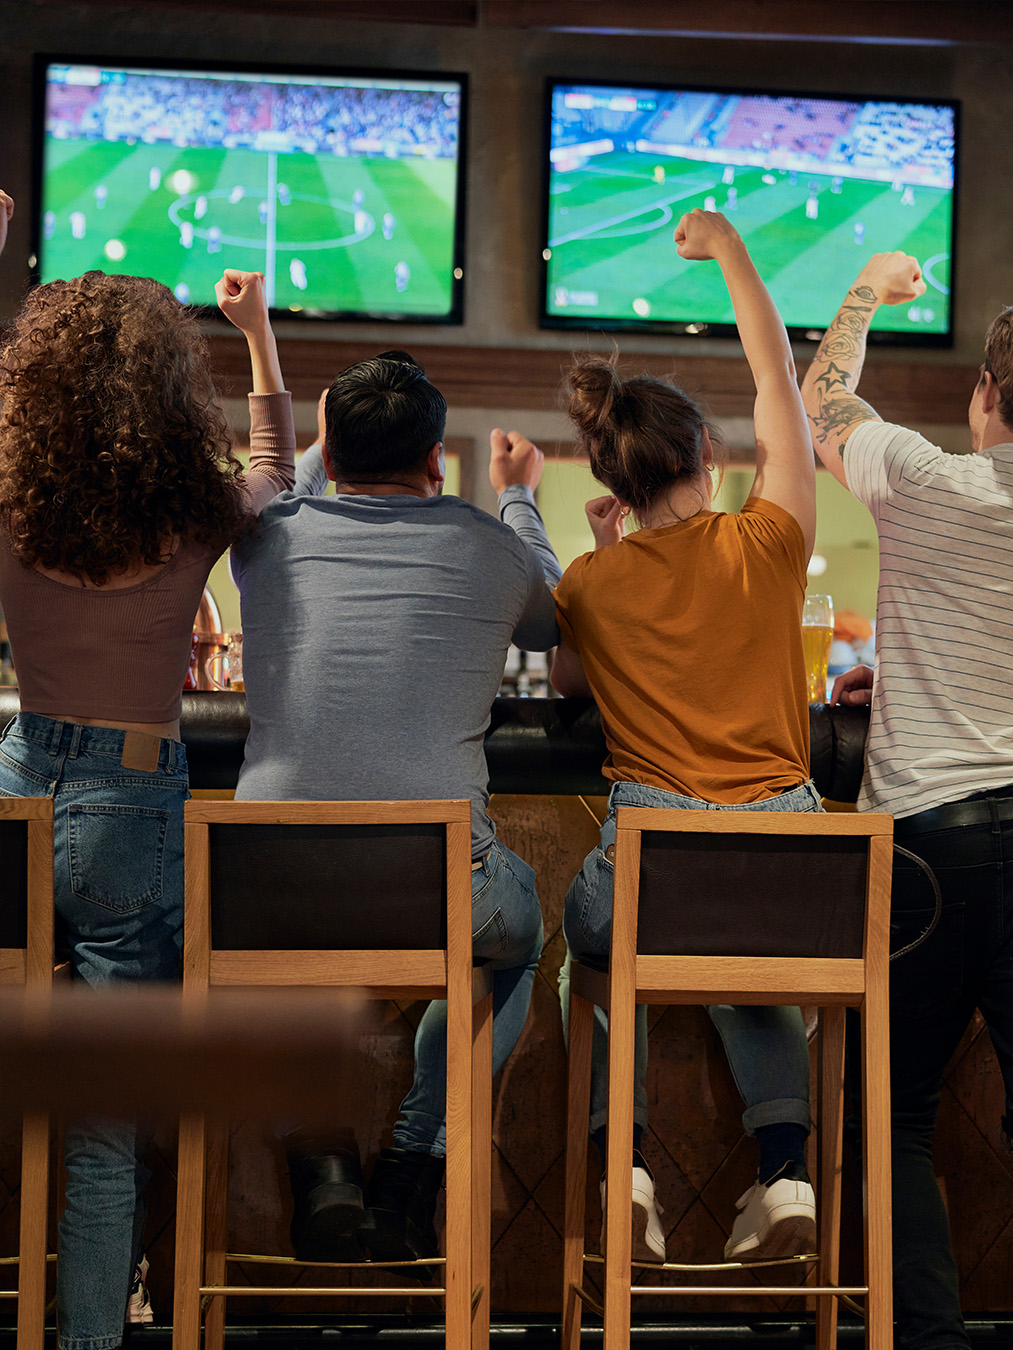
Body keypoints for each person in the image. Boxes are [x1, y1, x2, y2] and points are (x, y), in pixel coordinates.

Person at [0, 196, 295, 1350]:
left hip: (17, 783)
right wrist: (261, 335)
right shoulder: (194, 509)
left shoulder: (15, 494)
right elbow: (277, 461)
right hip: (129, 796)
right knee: (106, 1128)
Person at [801, 252, 1013, 1350]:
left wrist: (866, 292)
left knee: (895, 1113)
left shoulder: (918, 476)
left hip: (927, 847)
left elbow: (825, 396)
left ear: (984, 394)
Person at [230, 350, 561, 1266]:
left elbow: (273, 487)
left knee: (261, 958)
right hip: (440, 893)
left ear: (326, 459)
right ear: (436, 462)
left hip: (268, 894)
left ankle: (322, 1166)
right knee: (519, 932)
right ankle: (417, 1163)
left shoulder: (262, 540)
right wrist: (521, 496)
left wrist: (309, 441)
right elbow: (554, 617)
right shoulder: (488, 543)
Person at [550, 208, 820, 1265]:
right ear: (708, 452)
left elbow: (569, 681)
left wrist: (599, 552)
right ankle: (786, 1174)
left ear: (610, 483)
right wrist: (733, 256)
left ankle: (625, 1162)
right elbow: (781, 392)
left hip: (651, 869)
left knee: (591, 955)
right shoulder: (769, 541)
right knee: (748, 965)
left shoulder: (588, 584)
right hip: (786, 869)